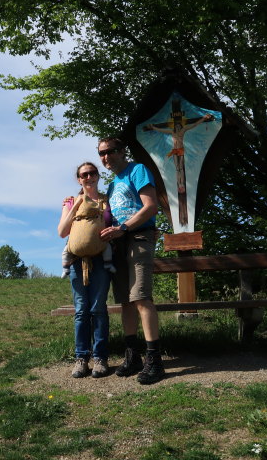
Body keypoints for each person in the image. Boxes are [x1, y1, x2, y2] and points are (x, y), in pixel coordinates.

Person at [98, 138, 166, 385]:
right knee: (125, 301)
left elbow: (150, 207)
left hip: (138, 237)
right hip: (119, 243)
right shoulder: (112, 184)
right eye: (101, 154)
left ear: (122, 151)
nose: (106, 157)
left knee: (141, 297)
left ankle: (154, 361)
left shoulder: (137, 170)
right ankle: (132, 356)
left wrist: (123, 227)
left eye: (110, 151)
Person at [58, 162, 112, 378]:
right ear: (79, 179)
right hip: (77, 262)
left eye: (92, 173)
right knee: (81, 311)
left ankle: (100, 358)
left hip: (101, 260)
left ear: (98, 176)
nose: (88, 177)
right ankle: (81, 358)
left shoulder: (107, 201)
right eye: (84, 174)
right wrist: (75, 206)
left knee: (98, 309)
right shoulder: (70, 201)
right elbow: (62, 232)